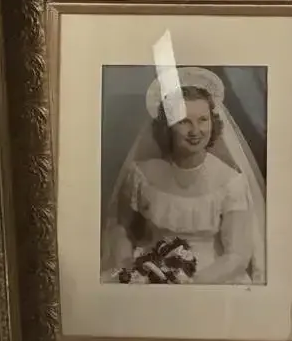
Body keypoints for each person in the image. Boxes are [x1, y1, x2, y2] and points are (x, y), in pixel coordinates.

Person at [101, 66, 267, 286]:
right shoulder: (141, 175)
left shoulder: (230, 182)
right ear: (167, 126)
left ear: (213, 121)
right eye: (184, 121)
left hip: (213, 280)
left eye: (203, 120)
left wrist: (190, 284)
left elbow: (237, 255)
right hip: (152, 276)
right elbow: (120, 227)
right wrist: (129, 265)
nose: (195, 131)